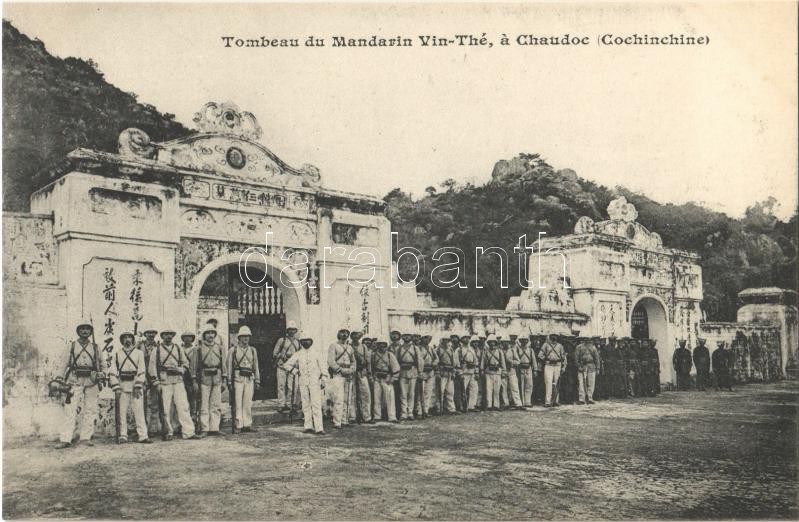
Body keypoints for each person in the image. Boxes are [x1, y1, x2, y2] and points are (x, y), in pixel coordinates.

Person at [55, 321, 106, 449]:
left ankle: (85, 438)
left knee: (91, 409)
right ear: (78, 331)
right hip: (74, 380)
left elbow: (102, 363)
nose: (85, 331)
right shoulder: (71, 346)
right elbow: (63, 363)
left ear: (90, 332)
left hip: (91, 381)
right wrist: (59, 378)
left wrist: (102, 373)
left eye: (87, 329)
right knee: (70, 409)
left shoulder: (95, 347)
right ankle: (65, 439)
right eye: (82, 329)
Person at [148, 326, 197, 440]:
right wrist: (156, 382)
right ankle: (168, 431)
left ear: (173, 336)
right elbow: (152, 367)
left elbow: (185, 364)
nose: (168, 336)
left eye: (170, 334)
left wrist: (180, 370)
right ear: (162, 336)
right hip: (164, 381)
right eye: (166, 334)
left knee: (183, 406)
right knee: (166, 408)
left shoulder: (178, 348)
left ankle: (188, 432)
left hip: (178, 381)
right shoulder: (157, 350)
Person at [108, 331, 151, 444]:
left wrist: (138, 385)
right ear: (121, 340)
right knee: (122, 411)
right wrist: (116, 386)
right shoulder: (117, 354)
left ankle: (143, 435)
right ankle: (123, 435)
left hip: (135, 384)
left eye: (129, 337)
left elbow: (142, 370)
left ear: (132, 339)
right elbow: (112, 371)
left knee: (139, 410)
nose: (127, 340)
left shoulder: (139, 353)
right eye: (125, 338)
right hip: (122, 385)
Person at [283, 334, 327, 435]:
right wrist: (295, 370)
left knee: (316, 404)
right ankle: (308, 426)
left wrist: (323, 379)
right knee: (305, 404)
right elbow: (286, 365)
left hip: (315, 382)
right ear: (301, 342)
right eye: (303, 341)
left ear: (311, 341)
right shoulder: (298, 354)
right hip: (303, 382)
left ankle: (319, 428)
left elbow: (323, 368)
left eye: (308, 340)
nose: (305, 342)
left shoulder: (317, 353)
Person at [195, 322, 228, 437]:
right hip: (204, 378)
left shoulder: (220, 348)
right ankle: (204, 428)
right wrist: (195, 381)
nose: (210, 335)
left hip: (217, 377)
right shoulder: (198, 349)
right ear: (204, 335)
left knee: (216, 404)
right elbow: (194, 367)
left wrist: (224, 379)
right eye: (207, 333)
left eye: (212, 333)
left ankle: (214, 428)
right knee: (204, 404)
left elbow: (223, 364)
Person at [227, 326, 260, 433]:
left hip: (249, 378)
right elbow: (229, 366)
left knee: (247, 402)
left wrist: (257, 380)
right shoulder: (233, 350)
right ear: (239, 337)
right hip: (238, 377)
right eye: (243, 336)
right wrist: (228, 381)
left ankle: (247, 424)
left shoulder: (253, 350)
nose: (246, 338)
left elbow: (255, 366)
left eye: (247, 336)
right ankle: (238, 424)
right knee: (237, 402)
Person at [327, 328, 355, 429]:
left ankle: (345, 420)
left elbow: (353, 361)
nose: (344, 335)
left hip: (348, 374)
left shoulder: (350, 348)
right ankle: (337, 421)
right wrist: (340, 370)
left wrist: (351, 370)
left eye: (346, 333)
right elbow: (331, 361)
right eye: (342, 333)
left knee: (347, 398)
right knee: (338, 398)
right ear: (338, 334)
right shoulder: (333, 346)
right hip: (338, 375)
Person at [137, 327, 162, 437]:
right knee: (142, 403)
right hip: (142, 376)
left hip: (155, 377)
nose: (151, 335)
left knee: (155, 403)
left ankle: (153, 428)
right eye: (148, 332)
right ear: (145, 334)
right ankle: (142, 428)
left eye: (153, 332)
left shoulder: (159, 346)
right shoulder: (139, 346)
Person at [273, 321, 300, 413]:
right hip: (282, 366)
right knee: (281, 385)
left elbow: (299, 355)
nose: (292, 331)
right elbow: (275, 353)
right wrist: (282, 356)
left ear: (296, 331)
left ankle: (289, 404)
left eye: (293, 330)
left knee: (291, 387)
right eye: (290, 330)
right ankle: (281, 404)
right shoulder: (282, 340)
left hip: (292, 367)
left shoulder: (297, 342)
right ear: (287, 330)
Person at [370, 340, 400, 423]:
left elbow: (396, 368)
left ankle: (392, 416)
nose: (382, 347)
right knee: (377, 398)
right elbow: (371, 367)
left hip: (387, 377)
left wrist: (393, 378)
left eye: (383, 345)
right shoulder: (373, 355)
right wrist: (372, 378)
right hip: (377, 378)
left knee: (390, 397)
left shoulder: (390, 355)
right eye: (380, 345)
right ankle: (377, 416)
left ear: (386, 346)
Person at [396, 333, 423, 420]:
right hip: (402, 372)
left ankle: (410, 412)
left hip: (413, 371)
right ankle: (404, 413)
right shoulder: (399, 348)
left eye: (408, 335)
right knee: (403, 393)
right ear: (402, 337)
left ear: (411, 337)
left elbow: (420, 360)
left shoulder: (415, 348)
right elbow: (396, 361)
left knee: (411, 393)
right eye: (405, 336)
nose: (406, 337)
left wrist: (420, 372)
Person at [350, 331, 373, 424]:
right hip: (352, 372)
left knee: (366, 394)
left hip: (362, 372)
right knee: (352, 395)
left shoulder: (363, 347)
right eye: (354, 335)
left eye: (358, 335)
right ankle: (352, 417)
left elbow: (368, 361)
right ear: (351, 336)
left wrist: (369, 373)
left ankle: (367, 417)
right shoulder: (348, 346)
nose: (356, 337)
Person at [538, 334, 566, 407]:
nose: (554, 337)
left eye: (555, 336)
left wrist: (564, 367)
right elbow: (540, 355)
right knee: (548, 383)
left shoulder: (560, 346)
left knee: (556, 383)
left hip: (558, 365)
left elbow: (564, 357)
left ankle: (555, 401)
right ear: (550, 337)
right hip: (548, 365)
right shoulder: (546, 345)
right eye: (552, 336)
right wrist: (547, 359)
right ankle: (548, 402)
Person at [416, 335, 438, 419]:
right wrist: (420, 370)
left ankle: (426, 410)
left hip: (430, 372)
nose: (427, 340)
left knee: (428, 392)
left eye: (429, 338)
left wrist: (434, 363)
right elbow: (418, 360)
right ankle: (419, 411)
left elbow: (436, 358)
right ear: (422, 339)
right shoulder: (418, 348)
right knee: (420, 393)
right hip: (422, 372)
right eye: (425, 338)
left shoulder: (431, 349)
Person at [574, 336, 601, 405]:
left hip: (591, 366)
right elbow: (576, 358)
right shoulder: (579, 347)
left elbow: (597, 359)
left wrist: (598, 368)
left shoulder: (593, 347)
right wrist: (578, 367)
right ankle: (581, 399)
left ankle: (590, 398)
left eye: (589, 339)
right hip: (582, 366)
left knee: (591, 383)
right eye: (586, 339)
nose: (587, 340)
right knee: (581, 383)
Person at [481, 335, 505, 411]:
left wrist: (504, 371)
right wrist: (482, 369)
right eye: (490, 342)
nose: (492, 344)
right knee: (489, 389)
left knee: (497, 389)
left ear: (495, 343)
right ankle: (489, 405)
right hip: (488, 371)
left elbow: (502, 362)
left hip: (497, 372)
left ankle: (496, 405)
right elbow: (482, 361)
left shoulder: (499, 351)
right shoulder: (485, 351)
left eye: (493, 342)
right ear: (488, 343)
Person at [437, 337, 461, 414]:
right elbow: (436, 362)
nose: (446, 342)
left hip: (450, 373)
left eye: (447, 340)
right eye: (444, 340)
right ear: (441, 340)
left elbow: (454, 362)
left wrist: (454, 372)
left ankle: (451, 409)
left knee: (450, 392)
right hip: (442, 373)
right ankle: (439, 409)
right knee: (440, 391)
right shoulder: (438, 350)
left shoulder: (450, 350)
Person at [179, 331, 198, 424]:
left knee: (193, 397)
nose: (187, 339)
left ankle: (194, 418)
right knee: (182, 399)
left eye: (189, 337)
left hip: (192, 376)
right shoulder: (179, 349)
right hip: (182, 376)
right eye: (185, 337)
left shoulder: (196, 349)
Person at [501, 339, 524, 410]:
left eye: (506, 342)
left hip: (511, 370)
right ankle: (506, 403)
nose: (505, 343)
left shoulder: (512, 350)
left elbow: (518, 361)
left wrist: (511, 362)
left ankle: (518, 403)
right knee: (504, 388)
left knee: (514, 387)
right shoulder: (499, 350)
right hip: (502, 371)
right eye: (503, 342)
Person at [459, 337, 480, 412]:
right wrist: (460, 372)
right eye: (464, 338)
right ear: (461, 339)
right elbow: (457, 362)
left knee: (474, 389)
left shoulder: (471, 349)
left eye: (468, 338)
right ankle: (461, 406)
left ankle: (472, 406)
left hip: (472, 371)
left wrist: (476, 372)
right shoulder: (459, 349)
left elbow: (476, 361)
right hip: (464, 371)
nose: (466, 340)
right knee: (462, 389)